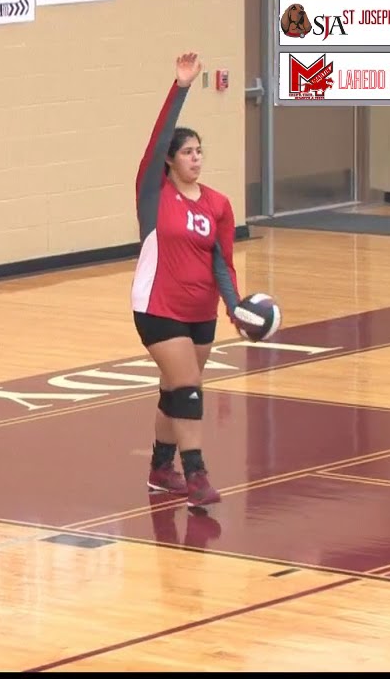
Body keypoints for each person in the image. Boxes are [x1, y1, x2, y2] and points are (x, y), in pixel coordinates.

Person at [131, 52, 241, 509]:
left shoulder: (217, 204)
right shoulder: (154, 195)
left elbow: (223, 263)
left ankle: (160, 467)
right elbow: (156, 142)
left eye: (200, 152)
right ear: (171, 162)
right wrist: (181, 88)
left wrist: (235, 306)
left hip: (201, 314)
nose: (196, 159)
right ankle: (196, 475)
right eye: (187, 153)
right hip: (158, 307)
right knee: (189, 389)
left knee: (174, 390)